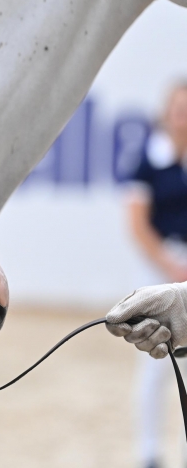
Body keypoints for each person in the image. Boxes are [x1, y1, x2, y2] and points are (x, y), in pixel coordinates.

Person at [107, 82, 187, 468]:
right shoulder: (148, 160)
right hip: (160, 264)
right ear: (167, 113)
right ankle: (150, 453)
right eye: (178, 109)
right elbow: (137, 224)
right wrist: (169, 264)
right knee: (157, 359)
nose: (183, 117)